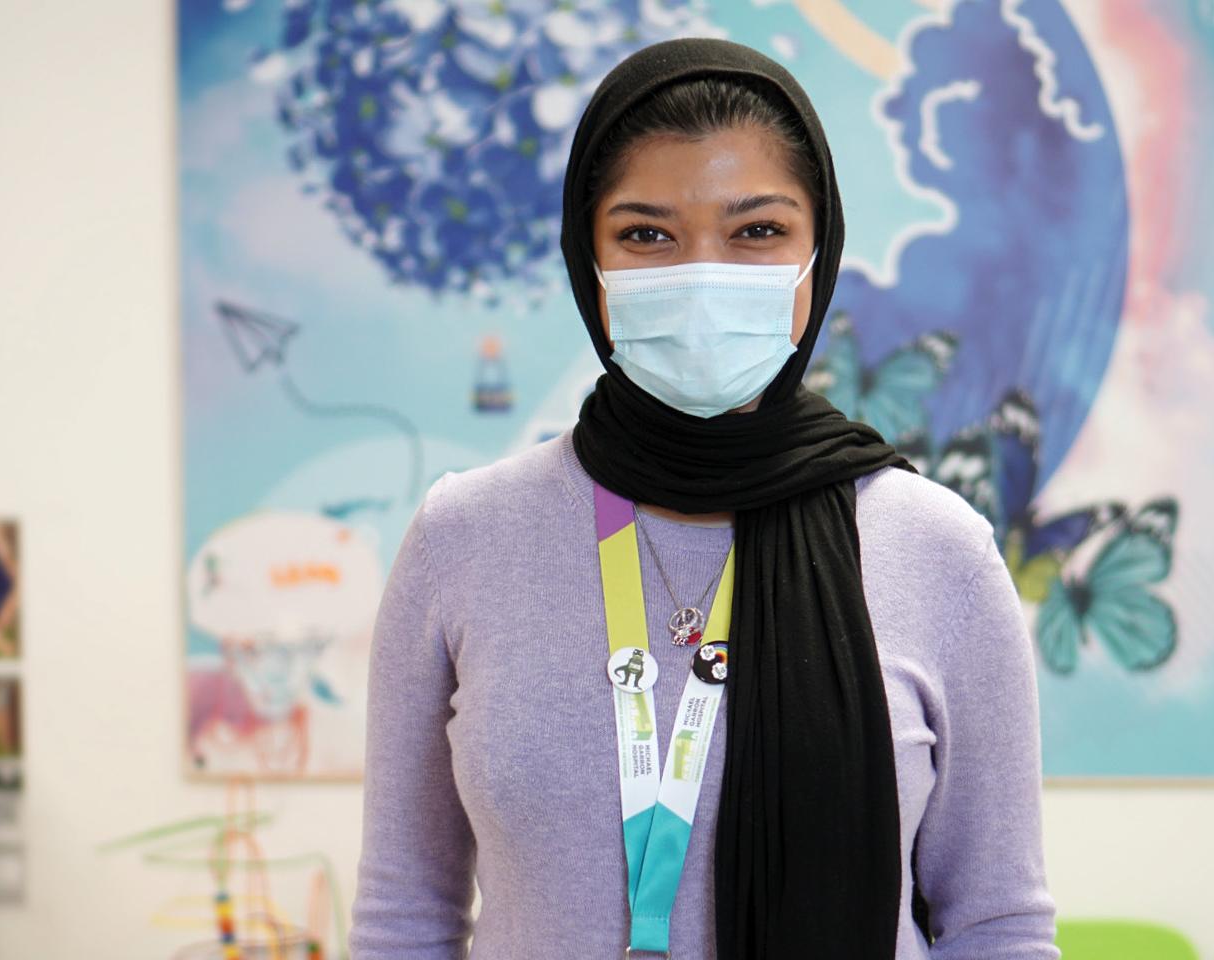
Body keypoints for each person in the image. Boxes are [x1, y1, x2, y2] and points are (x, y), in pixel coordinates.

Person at [352, 38, 1057, 960]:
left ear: (819, 251)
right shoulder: (464, 536)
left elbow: (996, 925)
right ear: (587, 258)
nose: (700, 272)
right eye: (646, 233)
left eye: (757, 231)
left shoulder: (936, 548)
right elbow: (405, 918)